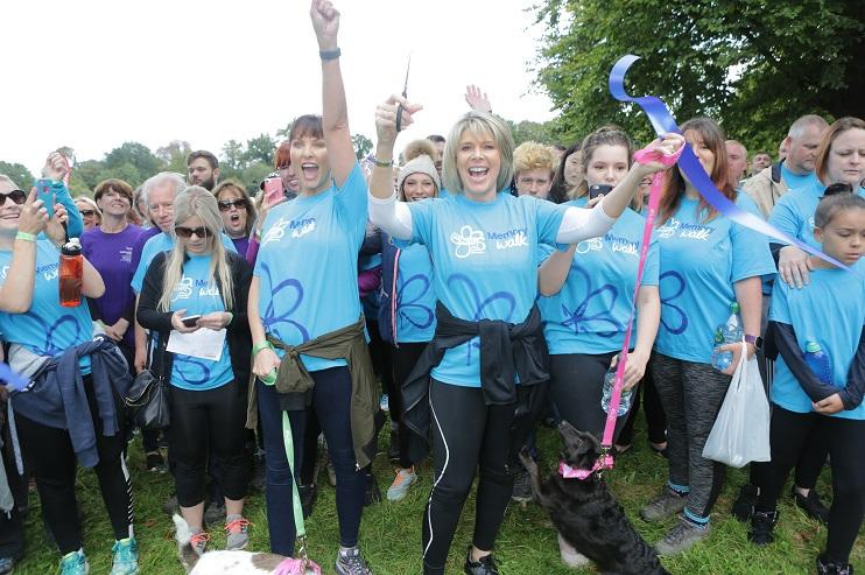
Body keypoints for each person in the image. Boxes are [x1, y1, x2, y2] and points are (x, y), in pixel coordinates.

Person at [368, 90, 681, 574]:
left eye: (488, 146)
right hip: (456, 370)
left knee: (499, 469)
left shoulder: (530, 212)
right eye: (467, 147)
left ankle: (481, 557)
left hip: (514, 366)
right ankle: (433, 567)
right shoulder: (438, 212)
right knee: (452, 480)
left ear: (503, 157)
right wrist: (386, 143)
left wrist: (639, 172)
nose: (478, 156)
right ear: (454, 158)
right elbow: (384, 214)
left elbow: (596, 220)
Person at [248, 2, 378, 573]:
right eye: (297, 144)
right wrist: (258, 343)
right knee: (279, 466)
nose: (308, 151)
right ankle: (284, 559)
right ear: (287, 155)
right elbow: (258, 285)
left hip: (334, 357)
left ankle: (348, 551)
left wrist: (328, 49)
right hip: (277, 359)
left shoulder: (346, 204)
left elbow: (340, 124)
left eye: (316, 143)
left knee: (345, 457)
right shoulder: (274, 216)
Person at [639, 117, 775, 555]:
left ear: (718, 155)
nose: (694, 156)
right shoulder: (663, 205)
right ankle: (678, 487)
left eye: (704, 147)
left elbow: (750, 280)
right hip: (664, 342)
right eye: (686, 148)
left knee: (701, 435)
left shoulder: (737, 208)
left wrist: (749, 342)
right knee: (676, 424)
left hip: (713, 347)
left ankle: (697, 518)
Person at [537, 126, 661, 568]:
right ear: (582, 169)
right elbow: (547, 287)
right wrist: (574, 236)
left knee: (602, 444)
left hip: (621, 352)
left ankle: (581, 506)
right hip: (570, 342)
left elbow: (648, 297)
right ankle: (573, 528)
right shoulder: (561, 217)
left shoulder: (644, 228)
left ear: (634, 172)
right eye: (600, 165)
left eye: (619, 166)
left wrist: (642, 353)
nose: (609, 174)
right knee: (585, 436)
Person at [0, 176, 137, 575]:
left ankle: (125, 542)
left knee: (111, 462)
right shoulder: (24, 244)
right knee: (53, 478)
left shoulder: (47, 243)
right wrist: (17, 385)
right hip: (37, 387)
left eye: (16, 195)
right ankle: (71, 555)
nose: (10, 203)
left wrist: (63, 243)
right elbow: (17, 300)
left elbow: (88, 290)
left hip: (88, 372)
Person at [748, 190, 865, 575]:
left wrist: (849, 395)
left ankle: (835, 559)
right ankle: (765, 510)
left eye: (864, 235)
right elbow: (783, 335)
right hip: (796, 394)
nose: (856, 244)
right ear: (818, 234)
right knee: (778, 459)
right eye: (846, 234)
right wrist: (819, 390)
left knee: (853, 485)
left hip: (853, 399)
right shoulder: (794, 275)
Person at [137, 186, 252, 555]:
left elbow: (254, 317)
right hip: (181, 382)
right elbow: (144, 314)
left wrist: (229, 318)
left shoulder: (234, 265)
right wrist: (170, 320)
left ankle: (235, 521)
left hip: (226, 378)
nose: (194, 239)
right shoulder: (163, 264)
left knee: (231, 451)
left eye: (202, 231)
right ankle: (195, 529)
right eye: (185, 231)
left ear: (215, 228)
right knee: (187, 458)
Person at [378, 150, 440, 502]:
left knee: (445, 400)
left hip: (444, 332)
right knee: (405, 399)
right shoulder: (390, 229)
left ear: (436, 187)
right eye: (411, 183)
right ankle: (408, 464)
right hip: (403, 334)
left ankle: (447, 460)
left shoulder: (446, 223)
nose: (418, 189)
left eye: (426, 183)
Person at [769, 117, 865, 289]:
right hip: (807, 309)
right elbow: (767, 249)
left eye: (863, 154)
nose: (855, 161)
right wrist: (784, 249)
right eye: (845, 153)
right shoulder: (792, 203)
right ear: (825, 155)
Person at [743, 114, 829, 218]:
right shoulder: (757, 188)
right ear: (789, 143)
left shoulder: (837, 182)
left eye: (822, 148)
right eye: (811, 147)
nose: (817, 153)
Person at [213, 181, 257, 255]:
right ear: (217, 214)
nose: (233, 209)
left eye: (239, 203)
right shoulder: (212, 248)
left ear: (247, 210)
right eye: (225, 205)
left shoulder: (262, 241)